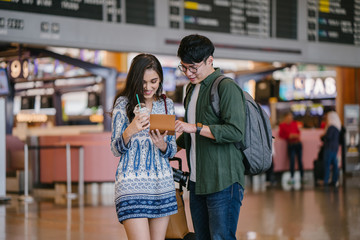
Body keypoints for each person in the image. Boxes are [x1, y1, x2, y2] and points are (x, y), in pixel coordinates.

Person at [174, 34, 246, 240]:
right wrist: (168, 146)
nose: (188, 73)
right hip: (197, 182)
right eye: (184, 67)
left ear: (210, 61)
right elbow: (191, 136)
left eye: (193, 67)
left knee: (220, 237)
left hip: (223, 180)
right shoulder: (191, 89)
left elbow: (235, 131)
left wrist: (195, 128)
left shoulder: (226, 87)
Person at [110, 53, 178, 240]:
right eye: (143, 82)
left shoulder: (166, 105)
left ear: (160, 79)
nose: (148, 87)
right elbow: (115, 149)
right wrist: (130, 130)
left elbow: (171, 150)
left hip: (161, 185)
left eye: (153, 81)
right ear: (134, 80)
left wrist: (162, 144)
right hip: (131, 185)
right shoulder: (123, 104)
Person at [279, 111, 304, 185]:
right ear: (285, 118)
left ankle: (302, 176)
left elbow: (298, 133)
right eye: (289, 117)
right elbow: (281, 135)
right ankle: (292, 177)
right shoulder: (282, 125)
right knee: (292, 161)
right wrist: (288, 136)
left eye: (291, 117)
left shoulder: (294, 124)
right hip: (291, 145)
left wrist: (294, 135)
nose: (290, 119)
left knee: (300, 161)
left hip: (298, 144)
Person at [320, 111, 341, 187]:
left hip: (329, 148)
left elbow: (328, 137)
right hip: (335, 148)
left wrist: (322, 136)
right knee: (335, 164)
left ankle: (326, 180)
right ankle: (334, 180)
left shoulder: (331, 127)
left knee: (327, 164)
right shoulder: (337, 127)